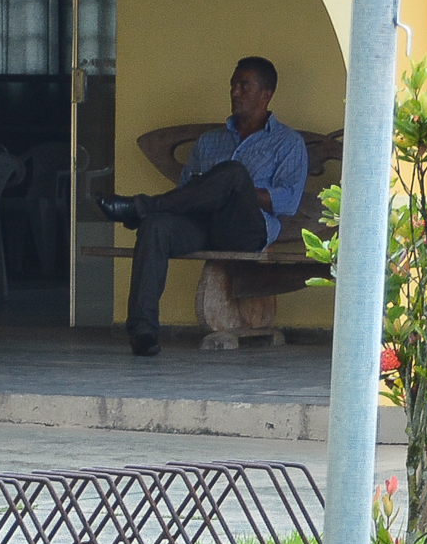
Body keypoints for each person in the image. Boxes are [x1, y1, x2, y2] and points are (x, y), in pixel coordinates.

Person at [97, 55, 309, 357]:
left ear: (266, 95)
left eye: (244, 85)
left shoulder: (288, 143)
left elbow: (288, 201)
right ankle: (143, 331)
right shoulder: (210, 142)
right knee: (156, 226)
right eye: (233, 85)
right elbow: (187, 193)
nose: (235, 92)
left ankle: (139, 206)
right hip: (202, 225)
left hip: (247, 231)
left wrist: (239, 190)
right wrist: (211, 191)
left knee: (234, 174)